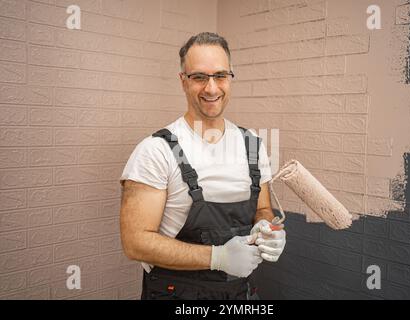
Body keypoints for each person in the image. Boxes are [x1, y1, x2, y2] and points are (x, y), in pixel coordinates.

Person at [119, 32, 286, 300]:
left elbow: (263, 209)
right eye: (199, 77)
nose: (211, 88)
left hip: (241, 294)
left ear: (231, 78)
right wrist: (217, 257)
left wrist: (266, 229)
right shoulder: (156, 150)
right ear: (183, 81)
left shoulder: (253, 145)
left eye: (220, 75)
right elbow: (135, 242)